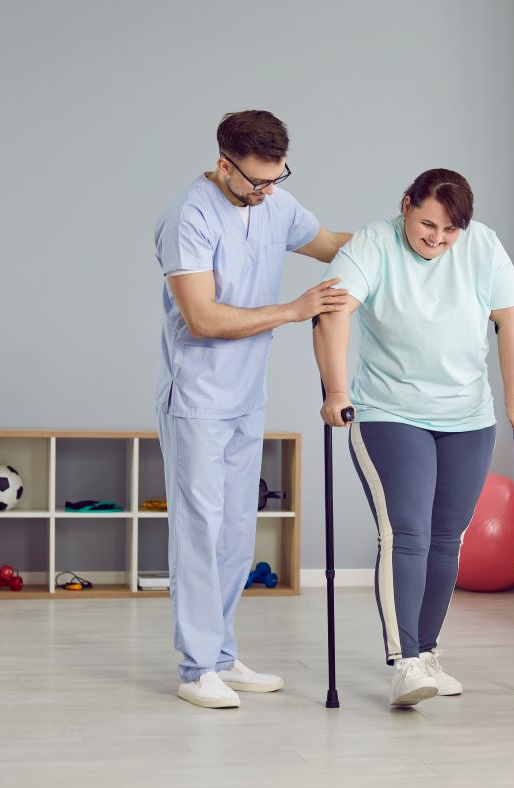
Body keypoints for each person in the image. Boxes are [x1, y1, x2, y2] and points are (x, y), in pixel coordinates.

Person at [312, 168, 514, 707]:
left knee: (446, 538)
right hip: (390, 412)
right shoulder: (373, 244)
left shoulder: (483, 247)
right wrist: (336, 390)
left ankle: (429, 652)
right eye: (427, 224)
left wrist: (513, 397)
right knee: (406, 532)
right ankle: (404, 661)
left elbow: (511, 318)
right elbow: (333, 314)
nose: (436, 238)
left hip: (467, 416)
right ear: (406, 205)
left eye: (450, 230)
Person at [155, 110, 351, 709]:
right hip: (197, 396)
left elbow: (329, 245)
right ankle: (195, 669)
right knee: (199, 528)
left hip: (246, 398)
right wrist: (293, 310)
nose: (266, 192)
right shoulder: (187, 217)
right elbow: (203, 317)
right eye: (255, 182)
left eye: (276, 179)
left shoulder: (277, 205)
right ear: (223, 164)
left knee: (238, 530)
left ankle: (221, 656)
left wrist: (407, 237)